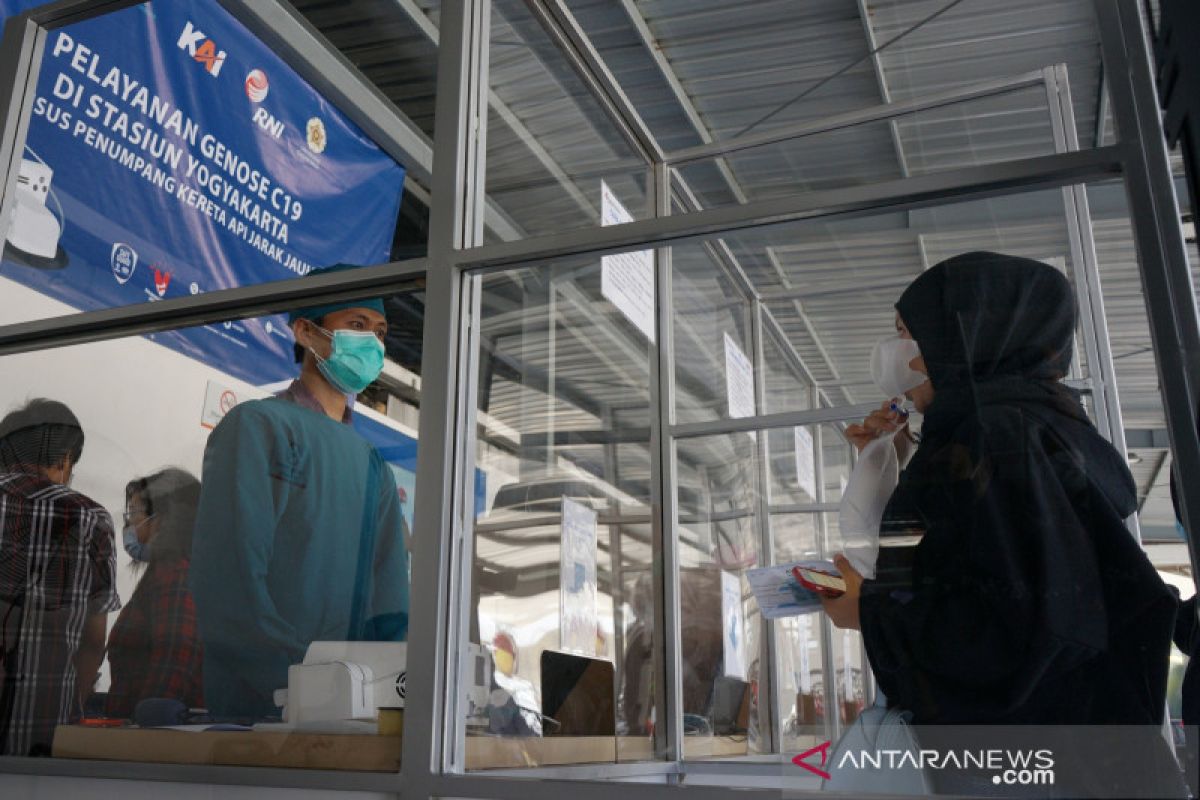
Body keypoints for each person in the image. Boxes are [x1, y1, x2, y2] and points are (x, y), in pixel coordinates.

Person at [821, 252, 1184, 796]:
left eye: (907, 334)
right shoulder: (1034, 427)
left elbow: (1021, 626)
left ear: (963, 339)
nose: (899, 356)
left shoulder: (998, 436)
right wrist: (889, 461)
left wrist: (867, 611)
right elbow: (980, 562)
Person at [190, 265, 410, 720]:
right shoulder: (258, 427)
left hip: (351, 712)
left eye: (380, 332)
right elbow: (231, 585)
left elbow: (390, 607)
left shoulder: (374, 467)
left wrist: (388, 691)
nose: (372, 343)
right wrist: (307, 681)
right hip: (261, 710)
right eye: (356, 325)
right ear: (306, 332)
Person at [0, 399, 119, 755]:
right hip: (43, 739)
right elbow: (94, 642)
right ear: (65, 459)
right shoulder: (91, 519)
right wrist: (69, 707)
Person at [103, 468, 204, 718]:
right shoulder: (167, 572)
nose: (129, 524)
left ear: (163, 518)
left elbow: (175, 655)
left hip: (150, 738)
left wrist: (148, 722)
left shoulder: (174, 572)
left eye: (135, 513)